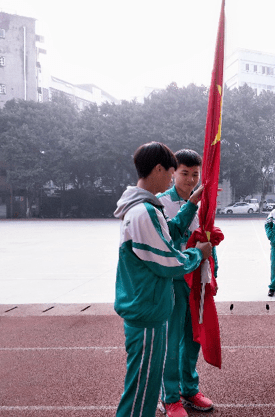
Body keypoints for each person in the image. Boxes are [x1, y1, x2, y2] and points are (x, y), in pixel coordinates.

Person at [113, 142, 212, 417]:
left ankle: (183, 391)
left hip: (149, 307)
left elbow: (168, 231)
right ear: (159, 169)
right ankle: (170, 399)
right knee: (140, 395)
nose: (173, 178)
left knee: (142, 388)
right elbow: (168, 261)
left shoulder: (145, 208)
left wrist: (191, 205)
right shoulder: (143, 211)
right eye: (173, 172)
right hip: (147, 311)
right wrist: (196, 254)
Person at [156, 149, 216, 417]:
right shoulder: (160, 203)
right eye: (184, 173)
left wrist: (213, 275)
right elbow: (164, 242)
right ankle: (169, 398)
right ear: (172, 173)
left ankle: (189, 389)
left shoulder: (204, 204)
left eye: (195, 174)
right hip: (174, 281)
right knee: (171, 340)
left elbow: (209, 241)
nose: (191, 180)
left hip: (197, 280)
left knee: (194, 337)